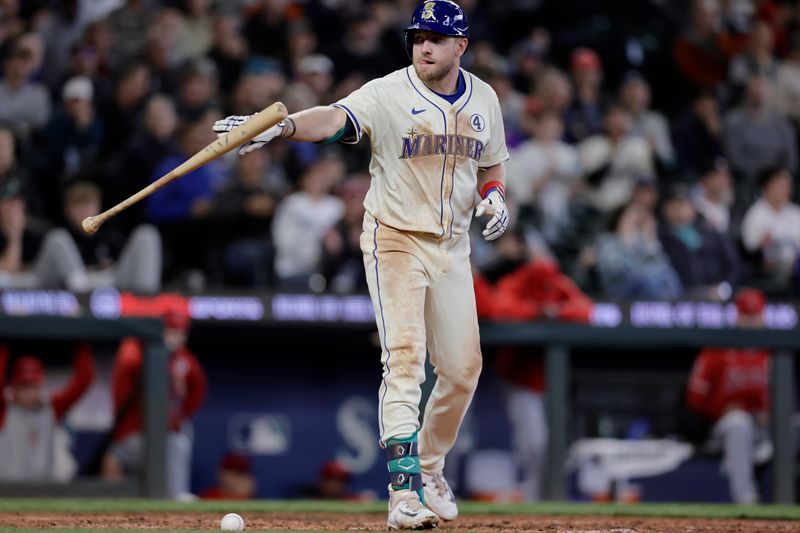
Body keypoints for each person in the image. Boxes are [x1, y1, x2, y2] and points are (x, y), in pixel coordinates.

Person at [212, 1, 509, 528]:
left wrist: (494, 197)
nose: (424, 46)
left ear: (461, 46)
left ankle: (432, 466)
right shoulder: (388, 92)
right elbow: (334, 118)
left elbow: (491, 165)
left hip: (453, 246)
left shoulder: (484, 96)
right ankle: (403, 495)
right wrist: (279, 128)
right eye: (418, 36)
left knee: (464, 371)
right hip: (395, 237)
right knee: (404, 359)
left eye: (436, 39)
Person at [102, 307, 207, 500]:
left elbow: (198, 391)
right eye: (172, 331)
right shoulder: (138, 351)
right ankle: (110, 509)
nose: (176, 337)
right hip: (134, 434)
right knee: (113, 458)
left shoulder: (185, 360)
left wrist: (179, 416)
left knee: (178, 442)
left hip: (166, 436)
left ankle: (176, 497)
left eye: (181, 332)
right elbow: (125, 371)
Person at [687, 288, 771, 503]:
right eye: (746, 315)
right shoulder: (718, 348)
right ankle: (747, 501)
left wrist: (772, 413)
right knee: (738, 423)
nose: (751, 321)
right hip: (724, 428)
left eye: (755, 315)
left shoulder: (774, 350)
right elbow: (694, 398)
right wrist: (721, 409)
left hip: (766, 428)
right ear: (736, 316)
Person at [0, 343, 94, 482]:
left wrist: (79, 342)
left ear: (40, 386)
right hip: (7, 489)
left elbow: (84, 379)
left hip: (44, 488)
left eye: (33, 386)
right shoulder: (4, 408)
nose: (28, 392)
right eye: (24, 386)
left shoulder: (52, 406)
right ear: (14, 387)